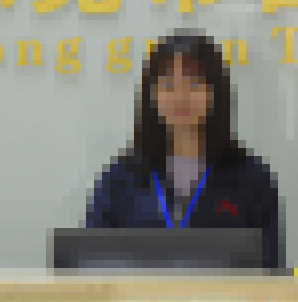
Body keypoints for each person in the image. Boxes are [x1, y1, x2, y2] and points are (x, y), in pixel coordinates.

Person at [82, 29, 285, 268]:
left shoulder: (253, 178)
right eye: (169, 85)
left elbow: (269, 272)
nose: (181, 97)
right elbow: (92, 268)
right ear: (151, 96)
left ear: (215, 92)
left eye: (194, 84)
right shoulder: (119, 178)